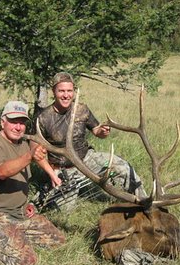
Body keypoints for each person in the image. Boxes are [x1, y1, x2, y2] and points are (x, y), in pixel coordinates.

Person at [0, 101, 65, 265]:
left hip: (19, 213)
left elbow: (36, 158)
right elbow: (1, 172)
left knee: (57, 241)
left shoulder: (23, 145)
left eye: (22, 122)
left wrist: (52, 175)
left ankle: (6, 236)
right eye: (13, 121)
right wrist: (29, 156)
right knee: (26, 261)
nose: (18, 127)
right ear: (3, 122)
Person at [32, 72, 148, 209]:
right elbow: (35, 152)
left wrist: (103, 131)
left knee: (123, 167)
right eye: (61, 91)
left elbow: (97, 131)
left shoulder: (81, 109)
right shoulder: (43, 118)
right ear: (53, 91)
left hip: (88, 159)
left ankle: (146, 204)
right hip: (63, 170)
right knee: (63, 210)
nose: (66, 95)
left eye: (69, 91)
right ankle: (46, 193)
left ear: (74, 91)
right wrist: (52, 174)